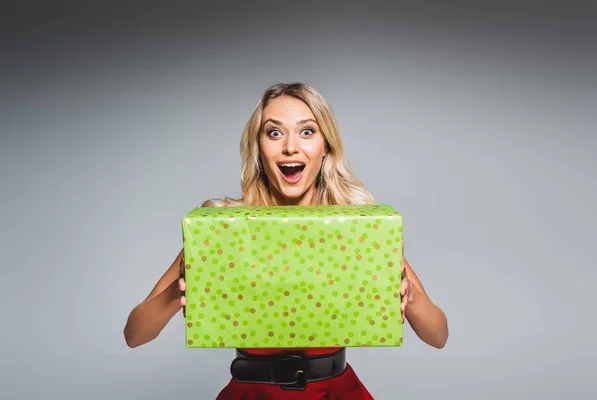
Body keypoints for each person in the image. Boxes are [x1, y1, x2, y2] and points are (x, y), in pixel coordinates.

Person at [123, 82, 449, 399]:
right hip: (252, 393)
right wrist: (176, 292)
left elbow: (437, 335)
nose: (290, 147)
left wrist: (407, 292)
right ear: (258, 147)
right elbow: (135, 334)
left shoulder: (355, 227)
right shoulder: (224, 227)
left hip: (334, 392)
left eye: (307, 131)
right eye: (274, 132)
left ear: (326, 147)